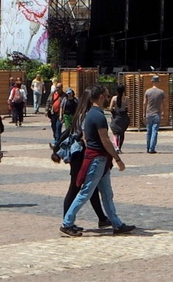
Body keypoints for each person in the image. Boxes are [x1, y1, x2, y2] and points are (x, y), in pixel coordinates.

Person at [60, 85, 135, 236]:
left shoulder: (92, 114)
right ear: (101, 97)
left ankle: (117, 224)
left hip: (100, 159)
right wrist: (117, 159)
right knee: (85, 192)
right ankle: (67, 223)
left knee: (107, 193)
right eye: (107, 96)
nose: (108, 99)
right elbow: (105, 140)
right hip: (97, 159)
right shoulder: (98, 116)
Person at [143, 75, 166, 154]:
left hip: (149, 113)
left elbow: (144, 103)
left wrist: (144, 112)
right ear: (158, 82)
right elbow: (163, 104)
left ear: (152, 82)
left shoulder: (147, 91)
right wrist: (163, 112)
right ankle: (152, 148)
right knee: (154, 131)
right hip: (157, 113)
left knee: (148, 130)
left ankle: (148, 146)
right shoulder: (161, 92)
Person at [109, 85, 129, 151]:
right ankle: (120, 147)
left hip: (116, 116)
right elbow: (129, 108)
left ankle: (116, 147)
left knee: (115, 133)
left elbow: (110, 108)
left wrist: (114, 112)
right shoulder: (126, 98)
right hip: (124, 117)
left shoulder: (114, 98)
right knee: (122, 133)